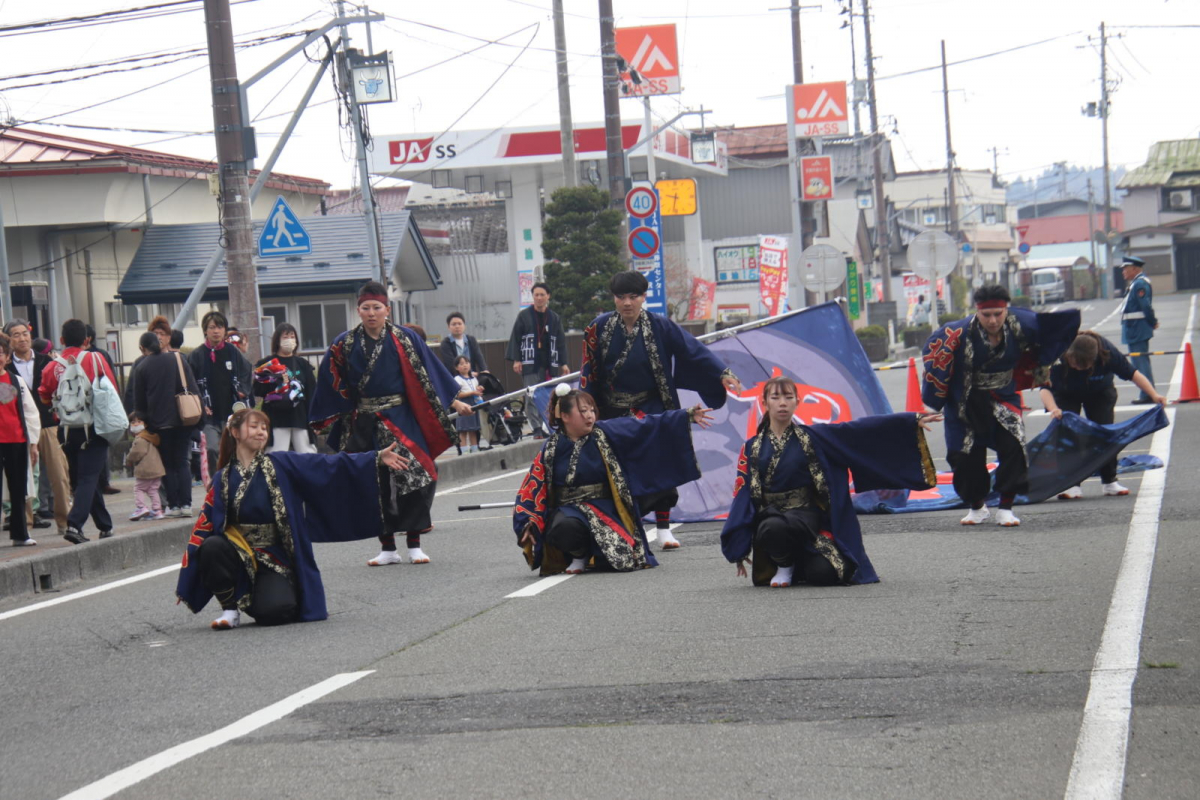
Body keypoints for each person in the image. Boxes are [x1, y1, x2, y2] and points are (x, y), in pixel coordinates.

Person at [175, 408, 413, 630]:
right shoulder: (222, 479)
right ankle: (230, 611)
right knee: (211, 546)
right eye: (254, 426)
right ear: (235, 433)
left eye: (264, 428)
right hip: (236, 553)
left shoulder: (281, 463)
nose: (261, 432)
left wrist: (375, 457)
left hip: (273, 556)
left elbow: (328, 464)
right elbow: (203, 527)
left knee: (276, 613)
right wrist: (186, 581)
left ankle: (270, 594)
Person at [311, 281, 473, 566]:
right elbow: (330, 381)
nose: (371, 313)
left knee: (415, 477)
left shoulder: (406, 338)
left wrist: (455, 401)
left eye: (377, 307)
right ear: (358, 310)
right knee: (374, 483)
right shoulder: (344, 344)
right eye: (365, 308)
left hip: (401, 417)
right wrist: (325, 418)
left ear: (387, 309)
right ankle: (387, 547)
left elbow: (430, 374)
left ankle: (414, 543)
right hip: (364, 421)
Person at [721, 376, 939, 587]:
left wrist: (908, 420)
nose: (782, 403)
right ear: (764, 402)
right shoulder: (752, 448)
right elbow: (742, 495)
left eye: (788, 397)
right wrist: (737, 548)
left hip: (807, 520)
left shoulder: (815, 437)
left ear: (798, 401)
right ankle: (784, 564)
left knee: (824, 574)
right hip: (772, 521)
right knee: (772, 527)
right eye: (776, 397)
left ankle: (804, 562)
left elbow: (858, 430)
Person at [580, 270, 743, 549]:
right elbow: (589, 371)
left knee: (660, 464)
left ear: (644, 297)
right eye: (621, 297)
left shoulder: (660, 326)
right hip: (613, 409)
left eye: (633, 296)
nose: (627, 303)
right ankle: (628, 526)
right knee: (619, 468)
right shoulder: (598, 328)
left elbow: (692, 350)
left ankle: (665, 528)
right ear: (614, 299)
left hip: (653, 405)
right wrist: (585, 406)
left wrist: (721, 373)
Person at [921, 284, 1079, 527]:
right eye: (987, 315)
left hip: (1004, 396)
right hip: (965, 400)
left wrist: (1041, 363)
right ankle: (977, 506)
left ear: (1006, 310)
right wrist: (932, 405)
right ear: (977, 311)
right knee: (963, 458)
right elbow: (935, 364)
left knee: (1013, 448)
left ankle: (1006, 506)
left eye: (998, 313)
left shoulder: (1023, 324)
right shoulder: (954, 334)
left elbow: (1056, 330)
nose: (993, 320)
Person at [513, 386, 712, 577]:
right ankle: (578, 555)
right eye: (583, 411)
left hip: (605, 508)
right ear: (564, 416)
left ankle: (600, 552)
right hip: (569, 509)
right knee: (561, 528)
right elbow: (532, 486)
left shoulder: (605, 432)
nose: (590, 415)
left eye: (592, 410)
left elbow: (646, 425)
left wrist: (684, 416)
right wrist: (527, 523)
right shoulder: (551, 448)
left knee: (619, 560)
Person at [1039, 330, 1166, 499]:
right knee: (1068, 436)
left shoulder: (1108, 353)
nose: (1077, 369)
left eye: (1082, 367)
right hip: (1065, 393)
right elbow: (1044, 388)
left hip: (1100, 391)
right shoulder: (1057, 356)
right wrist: (1054, 408)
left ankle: (1109, 481)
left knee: (1104, 433)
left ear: (1094, 360)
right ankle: (1071, 485)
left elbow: (1133, 374)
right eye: (1074, 365)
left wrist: (1154, 395)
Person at [39, 319, 120, 543]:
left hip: (66, 430)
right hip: (94, 427)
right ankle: (74, 525)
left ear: (62, 340)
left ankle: (105, 525)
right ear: (86, 340)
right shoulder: (96, 359)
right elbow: (109, 388)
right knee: (88, 477)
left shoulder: (52, 366)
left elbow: (45, 395)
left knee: (83, 478)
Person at [134, 331, 201, 517]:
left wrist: (144, 422)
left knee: (168, 464)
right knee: (182, 462)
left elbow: (140, 402)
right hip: (183, 418)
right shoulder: (178, 359)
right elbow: (193, 387)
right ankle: (187, 504)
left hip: (160, 422)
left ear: (142, 348)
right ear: (160, 344)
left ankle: (173, 505)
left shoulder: (142, 367)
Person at [4, 319, 61, 535]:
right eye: (16, 335)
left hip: (47, 423)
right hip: (17, 427)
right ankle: (19, 516)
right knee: (23, 472)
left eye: (25, 333)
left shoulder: (48, 362)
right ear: (9, 340)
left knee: (53, 472)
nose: (22, 338)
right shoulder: (6, 369)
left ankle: (54, 515)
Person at [188, 311, 253, 476]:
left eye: (219, 327)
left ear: (224, 330)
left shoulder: (233, 351)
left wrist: (242, 391)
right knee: (211, 449)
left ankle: (235, 480)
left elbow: (246, 371)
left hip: (231, 411)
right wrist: (200, 404)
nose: (216, 331)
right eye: (212, 327)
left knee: (235, 449)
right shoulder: (196, 355)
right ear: (205, 330)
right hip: (209, 413)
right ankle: (216, 481)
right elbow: (189, 383)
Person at [505, 282, 569, 438]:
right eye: (536, 295)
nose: (539, 298)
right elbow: (516, 338)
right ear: (533, 297)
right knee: (531, 395)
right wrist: (517, 360)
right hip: (530, 361)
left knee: (548, 395)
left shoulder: (554, 317)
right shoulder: (524, 315)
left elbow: (560, 341)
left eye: (542, 295)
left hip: (549, 362)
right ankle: (536, 427)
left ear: (548, 296)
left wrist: (564, 363)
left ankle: (548, 425)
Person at [0, 333, 42, 547]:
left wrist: (33, 443)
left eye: (1, 352)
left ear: (7, 356)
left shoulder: (16, 380)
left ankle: (20, 533)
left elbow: (30, 413)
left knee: (18, 488)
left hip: (16, 440)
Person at [253, 323, 316, 454]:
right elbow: (257, 389)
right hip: (276, 418)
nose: (289, 340)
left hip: (300, 417)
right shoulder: (266, 364)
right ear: (278, 340)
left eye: (292, 336)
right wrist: (274, 381)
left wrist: (315, 419)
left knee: (307, 455)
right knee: (275, 455)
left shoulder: (303, 364)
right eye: (285, 336)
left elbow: (312, 392)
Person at [1119, 256, 1159, 404]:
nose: (1123, 271)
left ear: (1135, 269)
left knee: (1140, 363)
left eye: (1126, 268)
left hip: (1137, 329)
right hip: (1134, 328)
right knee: (1140, 362)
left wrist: (1152, 321)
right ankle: (1148, 392)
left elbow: (1145, 306)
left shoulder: (1140, 284)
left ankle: (1147, 394)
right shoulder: (1136, 283)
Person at [123, 316, 172, 412]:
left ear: (169, 338)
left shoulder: (175, 360)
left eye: (162, 334)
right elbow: (130, 392)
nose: (158, 337)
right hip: (147, 414)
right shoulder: (139, 363)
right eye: (155, 334)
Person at [125, 411, 165, 521]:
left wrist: (129, 459)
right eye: (133, 422)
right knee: (153, 490)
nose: (136, 424)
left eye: (139, 421)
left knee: (138, 488)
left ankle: (141, 507)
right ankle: (157, 510)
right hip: (157, 469)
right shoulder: (150, 437)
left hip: (146, 469)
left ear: (145, 424)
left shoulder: (140, 438)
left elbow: (137, 452)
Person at [452, 355, 484, 453]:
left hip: (474, 404)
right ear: (456, 368)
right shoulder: (457, 379)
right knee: (463, 430)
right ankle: (464, 451)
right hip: (463, 404)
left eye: (466, 363)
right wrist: (472, 393)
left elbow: (476, 388)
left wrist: (479, 389)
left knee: (473, 430)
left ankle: (474, 449)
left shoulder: (473, 378)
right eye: (461, 364)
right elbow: (458, 395)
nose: (465, 365)